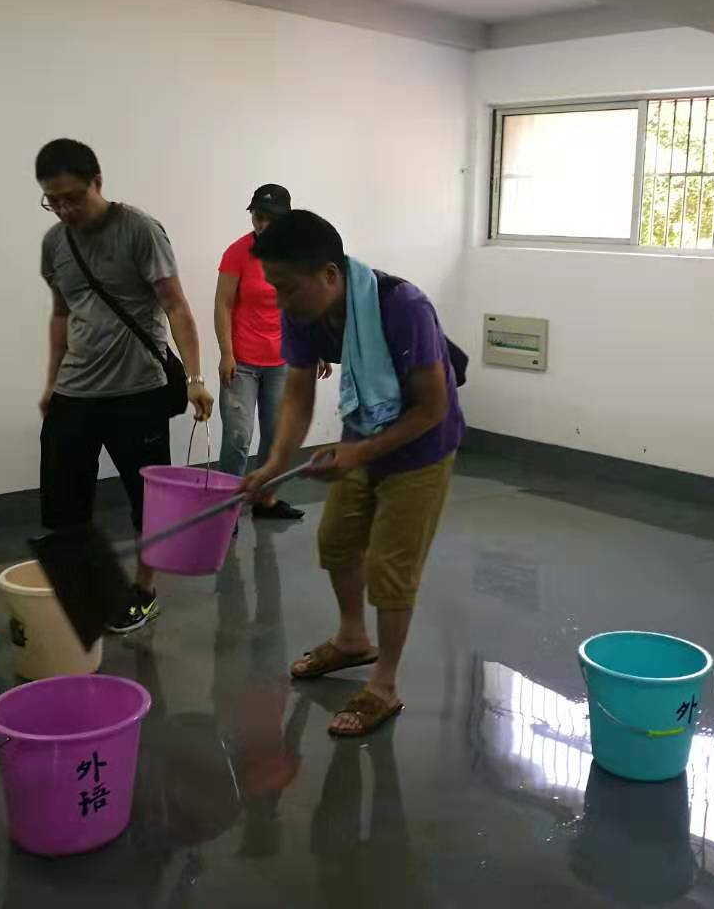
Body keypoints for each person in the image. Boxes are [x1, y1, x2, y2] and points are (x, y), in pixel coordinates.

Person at [242, 210, 464, 736]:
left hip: (422, 446)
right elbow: (298, 391)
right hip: (364, 430)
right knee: (337, 540)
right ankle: (351, 640)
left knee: (391, 567)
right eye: (274, 287)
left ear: (329, 275)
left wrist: (359, 454)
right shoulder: (304, 309)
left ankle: (383, 686)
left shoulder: (402, 307)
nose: (280, 301)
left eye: (287, 288)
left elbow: (432, 407)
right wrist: (274, 464)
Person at [36, 138, 215, 633]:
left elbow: (175, 305)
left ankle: (143, 591)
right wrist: (51, 382)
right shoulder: (55, 243)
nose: (65, 209)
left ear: (97, 182)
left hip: (138, 393)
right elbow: (61, 314)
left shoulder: (139, 229)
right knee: (63, 504)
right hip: (75, 392)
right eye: (53, 201)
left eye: (74, 197)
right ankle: (87, 594)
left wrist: (195, 378)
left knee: (147, 502)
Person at [214, 184, 320, 521]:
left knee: (276, 437)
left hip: (282, 360)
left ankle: (265, 501)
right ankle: (226, 510)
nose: (261, 224)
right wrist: (226, 353)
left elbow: (303, 302)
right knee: (237, 437)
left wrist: (314, 347)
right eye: (257, 216)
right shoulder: (237, 252)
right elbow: (223, 303)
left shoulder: (295, 255)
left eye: (269, 218)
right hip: (242, 362)